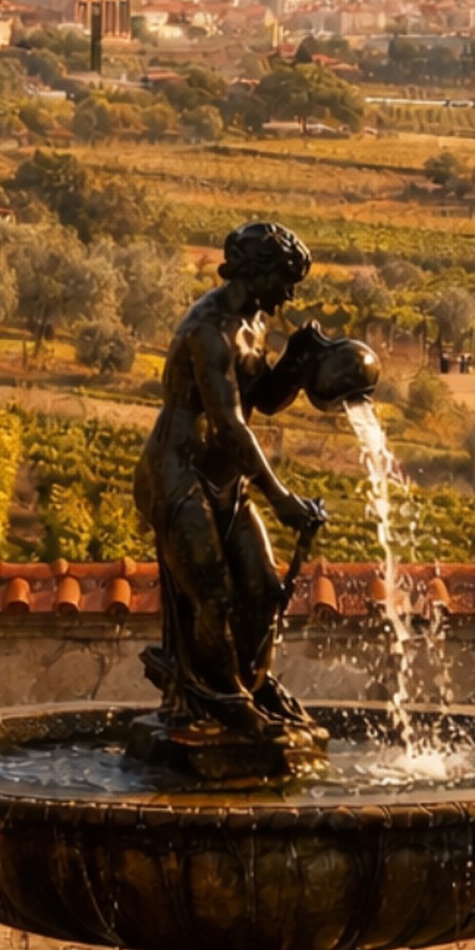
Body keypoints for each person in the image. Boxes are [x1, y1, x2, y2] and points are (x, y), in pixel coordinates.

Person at [135, 220, 348, 762]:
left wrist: (298, 361)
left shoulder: (254, 324)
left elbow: (264, 401)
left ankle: (253, 685)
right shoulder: (210, 330)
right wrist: (281, 499)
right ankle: (223, 700)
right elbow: (229, 422)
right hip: (179, 474)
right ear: (255, 272)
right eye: (284, 279)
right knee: (214, 595)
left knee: (262, 588)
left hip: (227, 480)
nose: (289, 293)